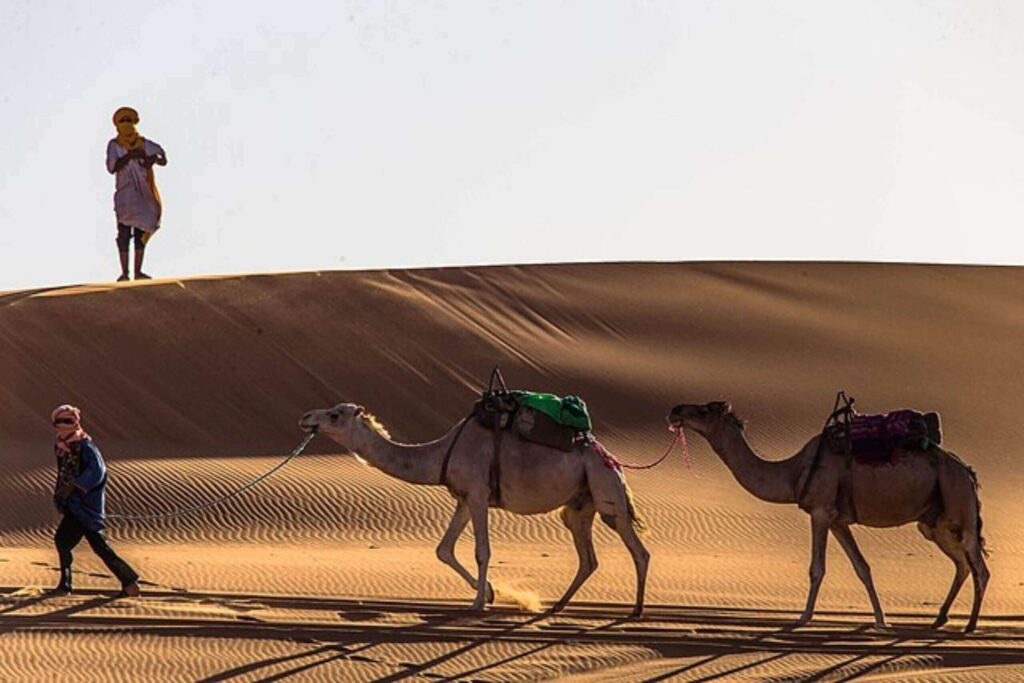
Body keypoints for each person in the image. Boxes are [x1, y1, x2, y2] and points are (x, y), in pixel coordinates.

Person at [50, 404, 141, 597]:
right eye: (60, 422)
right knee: (70, 543)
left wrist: (75, 486)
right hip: (73, 506)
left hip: (86, 507)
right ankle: (66, 584)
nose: (64, 425)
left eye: (69, 421)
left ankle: (129, 582)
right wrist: (60, 494)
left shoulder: (85, 447)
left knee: (90, 546)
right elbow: (63, 474)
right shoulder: (62, 448)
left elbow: (98, 472)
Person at [106, 106, 167, 281]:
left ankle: (138, 272)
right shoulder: (115, 145)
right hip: (125, 193)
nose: (126, 124)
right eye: (122, 121)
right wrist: (130, 156)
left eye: (129, 121)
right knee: (124, 232)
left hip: (143, 192)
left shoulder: (144, 143)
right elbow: (112, 167)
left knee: (141, 231)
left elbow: (163, 158)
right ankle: (124, 273)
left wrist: (152, 159)